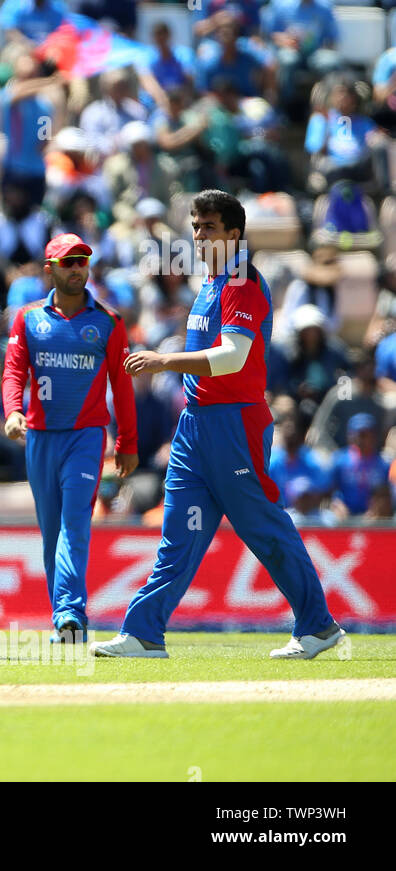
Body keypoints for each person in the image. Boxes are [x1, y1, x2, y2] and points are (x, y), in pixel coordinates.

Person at [94, 190, 346, 660]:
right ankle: (144, 632)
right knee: (178, 535)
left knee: (261, 525)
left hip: (234, 425)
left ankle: (318, 625)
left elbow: (233, 358)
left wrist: (165, 360)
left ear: (234, 234)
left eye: (208, 227)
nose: (198, 235)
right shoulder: (211, 282)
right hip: (195, 426)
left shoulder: (241, 281)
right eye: (194, 226)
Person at [1, 233, 138, 642]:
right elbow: (13, 372)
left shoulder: (108, 321)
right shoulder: (27, 318)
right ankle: (62, 614)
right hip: (41, 437)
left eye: (82, 261)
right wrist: (12, 411)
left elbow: (123, 385)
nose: (77, 268)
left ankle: (69, 614)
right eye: (68, 262)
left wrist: (128, 442)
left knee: (74, 522)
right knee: (51, 532)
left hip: (86, 437)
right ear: (50, 270)